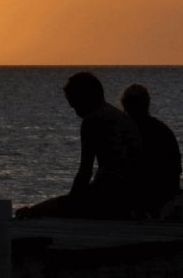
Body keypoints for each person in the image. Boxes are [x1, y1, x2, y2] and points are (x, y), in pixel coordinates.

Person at [17, 71, 143, 219]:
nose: (75, 112)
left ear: (85, 99)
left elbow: (85, 171)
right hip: (135, 194)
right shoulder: (121, 117)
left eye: (75, 105)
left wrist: (71, 203)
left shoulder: (93, 120)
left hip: (110, 196)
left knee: (33, 213)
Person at [120, 82, 182, 214]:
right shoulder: (162, 129)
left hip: (148, 196)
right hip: (167, 193)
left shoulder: (129, 131)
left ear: (125, 105)